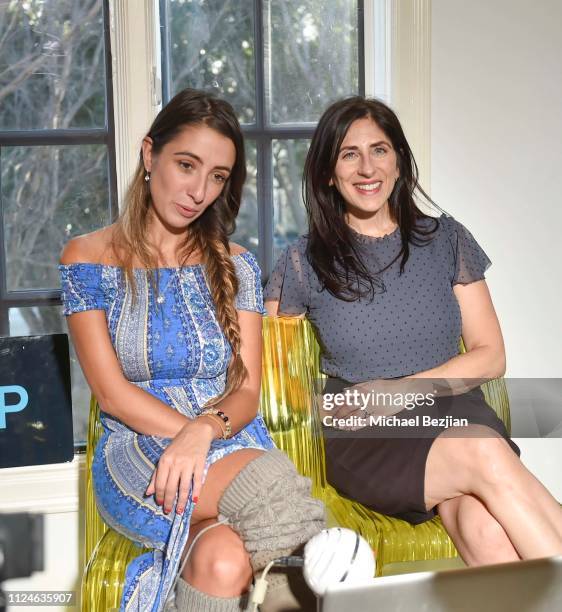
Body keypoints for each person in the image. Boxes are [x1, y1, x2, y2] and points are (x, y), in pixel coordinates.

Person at [264, 96, 562, 566]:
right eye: (349, 154)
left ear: (399, 161)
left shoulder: (446, 240)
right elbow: (271, 375)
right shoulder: (304, 262)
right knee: (483, 451)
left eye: (380, 150)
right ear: (327, 172)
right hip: (369, 434)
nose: (367, 167)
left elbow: (490, 355)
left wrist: (400, 391)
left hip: (454, 411)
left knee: (482, 528)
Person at [59, 89, 324, 612]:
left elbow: (247, 389)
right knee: (271, 482)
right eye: (186, 165)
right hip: (139, 451)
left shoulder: (238, 264)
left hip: (226, 435)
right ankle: (341, 581)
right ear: (148, 154)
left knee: (222, 561)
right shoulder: (86, 258)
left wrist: (203, 430)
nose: (199, 190)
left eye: (218, 176)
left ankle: (326, 576)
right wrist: (183, 435)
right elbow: (110, 394)